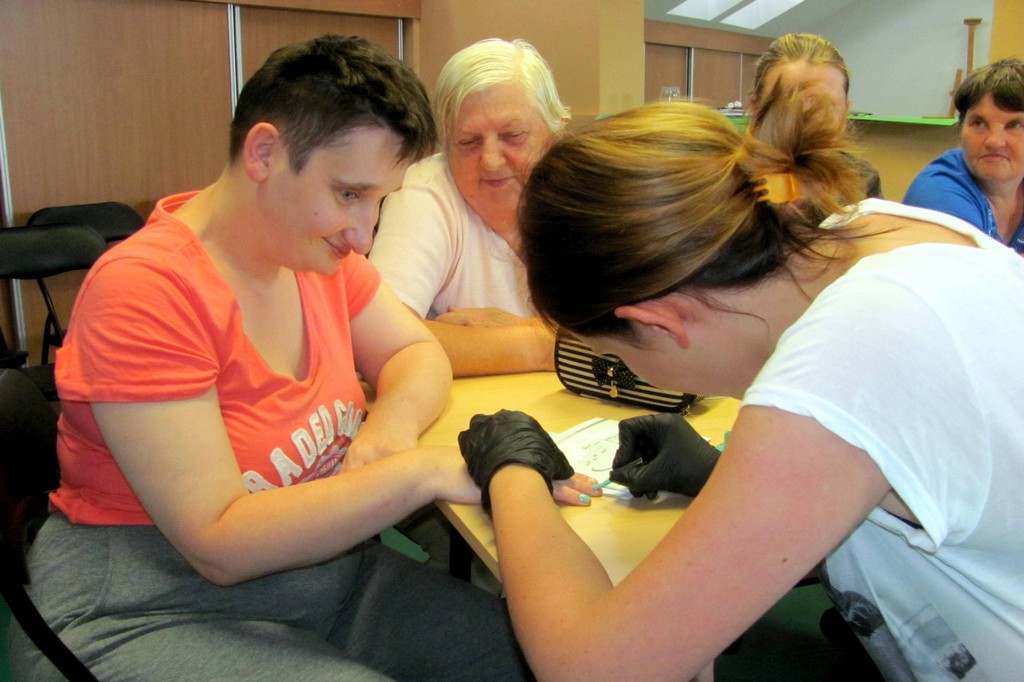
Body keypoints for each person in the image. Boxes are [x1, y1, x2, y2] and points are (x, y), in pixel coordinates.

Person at [7, 35, 548, 681]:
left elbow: (415, 351)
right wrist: (418, 473)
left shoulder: (314, 254)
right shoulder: (146, 291)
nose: (363, 234)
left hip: (321, 577)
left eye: (380, 200)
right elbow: (221, 543)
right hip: (148, 609)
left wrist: (388, 431)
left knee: (542, 659)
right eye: (348, 194)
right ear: (264, 153)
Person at [459, 95, 1024, 680]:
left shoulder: (850, 356)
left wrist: (512, 470)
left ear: (660, 321)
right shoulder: (866, 229)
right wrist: (724, 477)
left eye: (616, 359)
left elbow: (593, 668)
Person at [369, 38, 570, 376]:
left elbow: (638, 332)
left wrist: (523, 336)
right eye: (468, 142)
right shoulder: (425, 193)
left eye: (512, 136)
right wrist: (543, 344)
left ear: (555, 130)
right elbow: (375, 336)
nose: (491, 160)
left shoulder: (585, 190)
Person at [904, 58, 1024, 253]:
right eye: (979, 123)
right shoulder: (938, 192)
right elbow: (972, 271)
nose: (994, 141)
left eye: (1014, 125)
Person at [749, 32, 883, 198]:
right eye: (789, 107)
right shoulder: (728, 181)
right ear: (756, 108)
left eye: (824, 107)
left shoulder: (862, 179)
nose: (809, 121)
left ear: (845, 113)